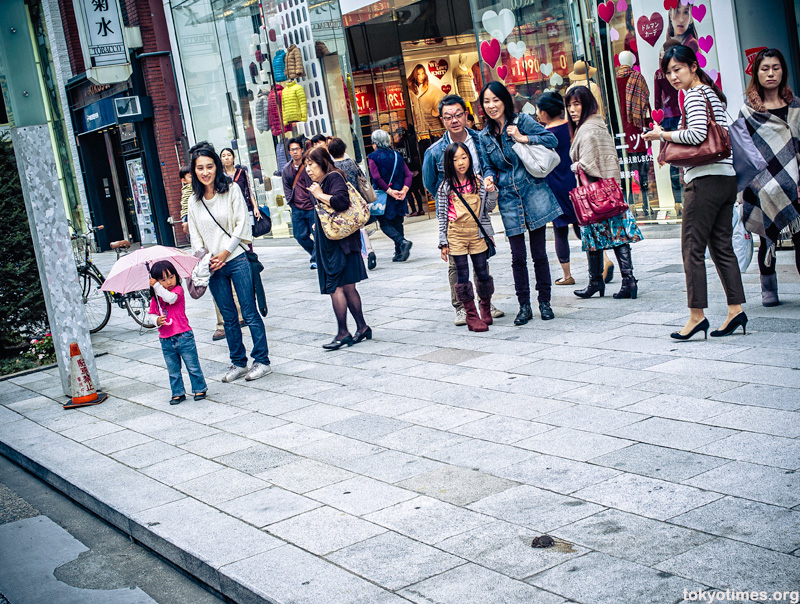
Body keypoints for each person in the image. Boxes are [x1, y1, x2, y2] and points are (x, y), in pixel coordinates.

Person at [643, 45, 746, 339]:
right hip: (726, 178)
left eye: (678, 69)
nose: (673, 77)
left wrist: (661, 134)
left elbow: (697, 135)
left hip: (704, 180)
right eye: (668, 72)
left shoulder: (696, 94)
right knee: (722, 248)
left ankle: (696, 316)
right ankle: (735, 311)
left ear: (692, 66)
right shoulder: (711, 93)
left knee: (692, 249)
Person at [477, 81, 561, 324]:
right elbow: (487, 165)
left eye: (496, 100)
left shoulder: (521, 121)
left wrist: (523, 138)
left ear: (504, 101)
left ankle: (544, 302)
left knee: (539, 253)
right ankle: (524, 306)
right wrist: (489, 178)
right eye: (487, 101)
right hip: (509, 199)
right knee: (517, 256)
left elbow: (551, 141)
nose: (492, 106)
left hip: (533, 192)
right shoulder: (484, 135)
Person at [187, 143, 272, 381]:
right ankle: (238, 362)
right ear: (194, 171)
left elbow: (241, 225)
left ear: (217, 166)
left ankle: (262, 361)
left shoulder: (232, 189)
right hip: (213, 266)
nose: (205, 172)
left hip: (235, 258)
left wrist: (225, 253)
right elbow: (195, 236)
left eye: (209, 167)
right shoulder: (193, 202)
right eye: (200, 168)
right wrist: (205, 258)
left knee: (249, 311)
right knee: (227, 315)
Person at [422, 94, 504, 326]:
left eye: (458, 115)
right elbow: (430, 183)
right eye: (448, 117)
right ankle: (461, 308)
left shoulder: (480, 140)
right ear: (442, 120)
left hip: (478, 209)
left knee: (481, 261)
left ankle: (485, 303)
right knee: (456, 265)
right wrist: (448, 201)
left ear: (466, 115)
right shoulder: (435, 151)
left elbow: (489, 167)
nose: (454, 120)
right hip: (453, 215)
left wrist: (488, 183)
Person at [566, 86, 643, 301]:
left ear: (587, 104)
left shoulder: (588, 130)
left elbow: (588, 164)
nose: (572, 110)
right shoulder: (598, 125)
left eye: (576, 104)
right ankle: (627, 280)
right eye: (569, 105)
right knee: (616, 235)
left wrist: (574, 166)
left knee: (595, 235)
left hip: (595, 195)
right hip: (610, 192)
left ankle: (597, 281)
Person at [739, 48, 800, 307]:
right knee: (767, 235)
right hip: (762, 183)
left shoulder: (795, 106)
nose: (771, 73)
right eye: (765, 68)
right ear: (756, 73)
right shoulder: (748, 111)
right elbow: (744, 152)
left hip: (794, 182)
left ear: (783, 71)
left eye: (776, 67)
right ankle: (768, 286)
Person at [305, 146, 371, 349]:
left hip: (337, 244)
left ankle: (343, 332)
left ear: (322, 162)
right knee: (348, 286)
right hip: (340, 240)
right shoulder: (326, 180)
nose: (308, 169)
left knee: (337, 287)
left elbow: (341, 203)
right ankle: (362, 327)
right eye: (306, 165)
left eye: (311, 164)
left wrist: (318, 194)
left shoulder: (333, 177)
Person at [437, 142, 497, 332]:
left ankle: (485, 308)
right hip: (456, 234)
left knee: (482, 272)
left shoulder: (478, 181)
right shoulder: (445, 187)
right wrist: (443, 242)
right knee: (462, 275)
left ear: (470, 159)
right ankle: (471, 316)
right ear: (449, 163)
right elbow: (442, 216)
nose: (460, 162)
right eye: (455, 159)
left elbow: (488, 209)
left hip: (477, 233)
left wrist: (492, 191)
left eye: (464, 157)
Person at [146, 260, 207, 404]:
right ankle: (178, 392)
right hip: (166, 339)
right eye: (163, 280)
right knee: (173, 370)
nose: (168, 282)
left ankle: (199, 388)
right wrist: (156, 320)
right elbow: (150, 314)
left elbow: (170, 299)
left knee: (192, 366)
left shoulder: (177, 291)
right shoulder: (155, 298)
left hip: (183, 336)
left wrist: (156, 286)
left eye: (171, 277)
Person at [536, 92, 580, 286]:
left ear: (545, 113)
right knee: (583, 225)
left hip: (555, 185)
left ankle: (567, 274)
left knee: (560, 230)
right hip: (576, 181)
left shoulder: (545, 135)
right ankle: (602, 261)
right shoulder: (572, 127)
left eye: (538, 110)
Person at [328, 136, 378, 271]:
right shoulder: (352, 162)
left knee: (349, 228)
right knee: (360, 226)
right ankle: (369, 250)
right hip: (357, 199)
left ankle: (359, 256)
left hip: (342, 200)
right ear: (344, 149)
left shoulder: (332, 167)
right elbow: (362, 177)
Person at [368, 130, 414, 262]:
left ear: (375, 143)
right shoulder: (396, 155)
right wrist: (404, 190)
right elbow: (408, 174)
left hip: (384, 195)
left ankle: (402, 242)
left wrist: (389, 191)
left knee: (385, 223)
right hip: (399, 194)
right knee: (398, 222)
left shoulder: (373, 157)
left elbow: (376, 177)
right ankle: (399, 252)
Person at [282, 137, 317, 270]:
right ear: (289, 152)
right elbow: (286, 186)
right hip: (297, 208)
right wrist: (291, 202)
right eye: (292, 150)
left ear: (302, 150)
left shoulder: (309, 165)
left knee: (317, 234)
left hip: (311, 206)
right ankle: (317, 254)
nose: (295, 152)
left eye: (297, 149)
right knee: (299, 236)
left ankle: (315, 258)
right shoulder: (287, 169)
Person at [407, 65, 444, 134]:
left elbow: (442, 100)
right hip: (420, 130)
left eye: (423, 73)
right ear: (415, 75)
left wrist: (436, 112)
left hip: (434, 128)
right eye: (418, 74)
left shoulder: (431, 88)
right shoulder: (411, 91)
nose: (421, 76)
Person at [179, 166, 192, 236]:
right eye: (191, 177)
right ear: (184, 180)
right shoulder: (191, 187)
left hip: (185, 213)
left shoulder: (185, 189)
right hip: (187, 213)